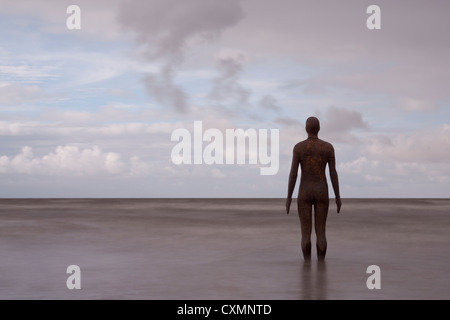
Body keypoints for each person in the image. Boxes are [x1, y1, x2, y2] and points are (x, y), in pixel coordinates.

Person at [286, 117, 341, 261]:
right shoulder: (328, 147)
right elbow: (333, 173)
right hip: (321, 190)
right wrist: (337, 197)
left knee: (305, 234)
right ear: (319, 128)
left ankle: (307, 265)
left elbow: (293, 175)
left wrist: (289, 197)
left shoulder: (299, 148)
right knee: (321, 233)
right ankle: (321, 266)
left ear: (306, 128)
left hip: (304, 191)